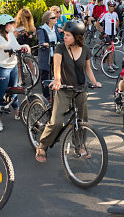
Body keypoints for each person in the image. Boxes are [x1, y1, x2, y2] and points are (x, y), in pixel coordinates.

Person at [35, 20, 102, 163]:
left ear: (77, 37)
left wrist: (95, 82)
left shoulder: (86, 50)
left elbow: (88, 69)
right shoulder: (60, 48)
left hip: (80, 89)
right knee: (57, 122)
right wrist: (57, 80)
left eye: (67, 35)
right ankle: (42, 145)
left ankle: (79, 145)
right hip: (64, 89)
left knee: (82, 120)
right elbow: (57, 65)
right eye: (64, 34)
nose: (64, 37)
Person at [0, 14, 31, 131]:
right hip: (1, 68)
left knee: (13, 90)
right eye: (10, 24)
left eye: (13, 23)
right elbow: (10, 46)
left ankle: (17, 113)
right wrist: (11, 34)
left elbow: (16, 47)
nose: (13, 26)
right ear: (3, 26)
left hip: (12, 66)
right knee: (0, 93)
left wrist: (25, 45)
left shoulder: (8, 35)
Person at [37, 11, 62, 100]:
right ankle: (46, 96)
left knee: (57, 73)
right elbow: (41, 41)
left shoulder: (55, 27)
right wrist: (45, 44)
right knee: (45, 75)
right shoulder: (41, 29)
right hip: (46, 55)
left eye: (56, 17)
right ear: (47, 20)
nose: (56, 18)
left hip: (55, 54)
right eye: (53, 18)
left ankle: (58, 93)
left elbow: (58, 39)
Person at [97, 1, 119, 72]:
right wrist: (102, 32)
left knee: (112, 49)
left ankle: (112, 63)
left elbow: (117, 21)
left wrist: (116, 29)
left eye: (113, 6)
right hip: (106, 34)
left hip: (113, 34)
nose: (111, 7)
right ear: (108, 6)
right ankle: (109, 66)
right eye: (110, 6)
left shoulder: (115, 14)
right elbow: (97, 23)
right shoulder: (104, 14)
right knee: (110, 49)